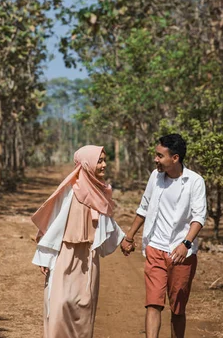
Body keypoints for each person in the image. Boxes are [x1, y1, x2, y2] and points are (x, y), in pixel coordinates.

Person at [31, 145, 125, 338]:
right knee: (59, 305)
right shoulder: (71, 191)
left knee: (84, 308)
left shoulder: (100, 191)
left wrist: (125, 240)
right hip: (64, 256)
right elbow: (52, 226)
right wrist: (45, 257)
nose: (104, 165)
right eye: (99, 161)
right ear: (86, 163)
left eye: (104, 160)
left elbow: (108, 222)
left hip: (88, 259)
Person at [120, 134, 207, 338]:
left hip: (181, 255)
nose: (155, 160)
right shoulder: (155, 177)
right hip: (155, 249)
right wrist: (130, 236)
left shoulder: (194, 181)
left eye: (160, 156)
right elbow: (144, 207)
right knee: (153, 304)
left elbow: (199, 216)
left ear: (175, 158)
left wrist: (186, 243)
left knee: (177, 308)